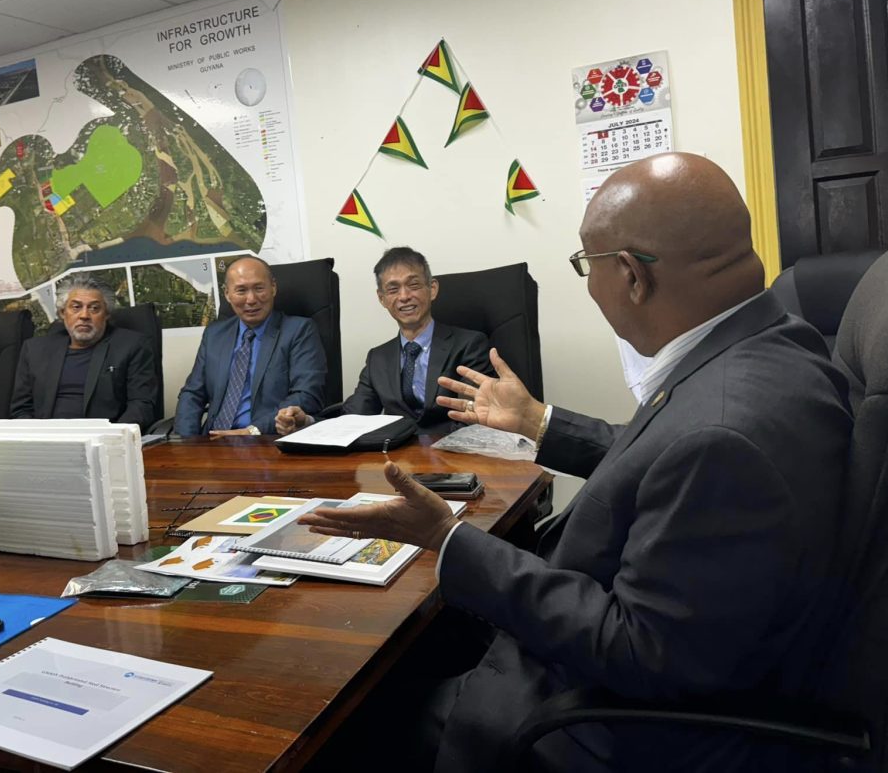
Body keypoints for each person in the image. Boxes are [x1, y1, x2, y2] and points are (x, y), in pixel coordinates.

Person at [301, 153, 854, 772]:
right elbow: (657, 452)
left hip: (585, 717)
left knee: (353, 714)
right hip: (614, 629)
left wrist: (447, 537)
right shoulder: (769, 343)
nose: (588, 285)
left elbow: (639, 652)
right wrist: (540, 421)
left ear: (630, 276)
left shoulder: (724, 437)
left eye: (586, 267)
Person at [276, 247, 493, 437]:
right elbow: (352, 418)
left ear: (432, 289)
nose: (404, 296)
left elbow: (475, 417)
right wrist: (307, 422)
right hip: (396, 462)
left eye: (414, 285)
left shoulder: (469, 345)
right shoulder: (378, 358)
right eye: (393, 289)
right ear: (382, 298)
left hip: (455, 460)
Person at [174, 256, 327, 436]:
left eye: (259, 288)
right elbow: (192, 395)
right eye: (241, 290)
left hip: (265, 442)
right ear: (227, 294)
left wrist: (252, 431)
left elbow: (306, 395)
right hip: (212, 444)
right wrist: (187, 443)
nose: (251, 299)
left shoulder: (299, 331)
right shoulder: (215, 334)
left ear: (273, 288)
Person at [11, 276, 157, 428]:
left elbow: (141, 405)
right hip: (47, 441)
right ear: (62, 313)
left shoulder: (132, 346)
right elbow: (21, 408)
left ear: (106, 314)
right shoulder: (35, 350)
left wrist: (113, 437)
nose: (84, 316)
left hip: (103, 441)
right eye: (76, 307)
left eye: (94, 308)